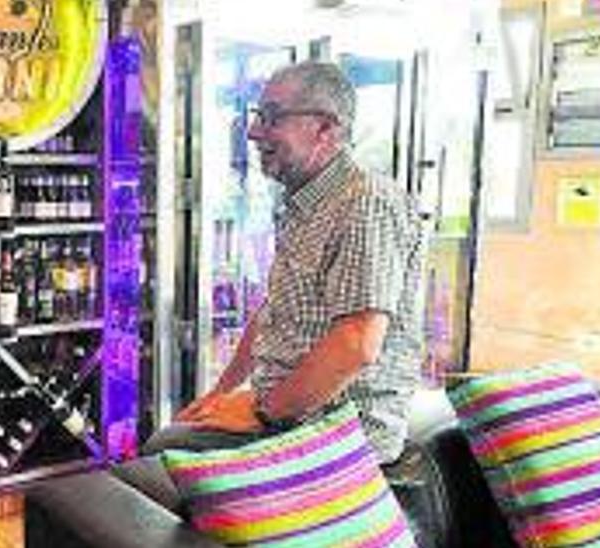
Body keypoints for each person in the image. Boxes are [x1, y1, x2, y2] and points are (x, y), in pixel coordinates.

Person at [144, 61, 424, 465]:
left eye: (272, 117)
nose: (254, 131)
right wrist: (220, 395)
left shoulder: (366, 202)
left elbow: (357, 342)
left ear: (325, 129)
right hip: (291, 415)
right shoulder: (306, 203)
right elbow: (272, 314)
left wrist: (260, 412)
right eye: (258, 116)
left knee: (163, 452)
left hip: (338, 434)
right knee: (172, 439)